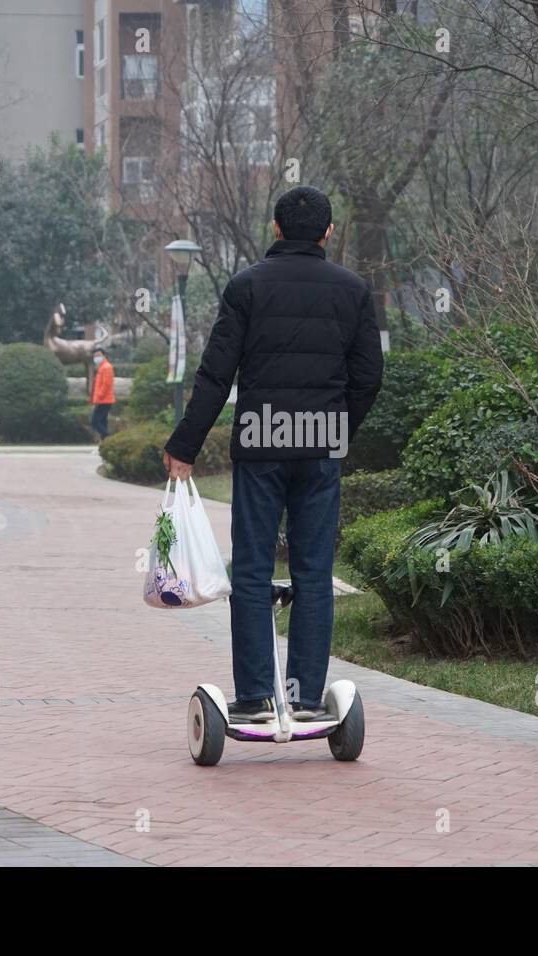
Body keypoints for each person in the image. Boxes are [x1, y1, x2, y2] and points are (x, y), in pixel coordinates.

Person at [162, 186, 383, 723]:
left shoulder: (246, 287)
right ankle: (306, 696)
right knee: (314, 571)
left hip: (261, 446)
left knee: (254, 571)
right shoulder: (353, 290)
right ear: (328, 232)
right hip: (319, 448)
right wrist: (336, 430)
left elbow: (216, 375)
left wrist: (184, 445)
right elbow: (368, 378)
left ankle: (258, 696)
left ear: (276, 229)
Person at [91, 347, 114, 439]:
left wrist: (100, 396)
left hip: (104, 400)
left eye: (98, 355)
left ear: (104, 355)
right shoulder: (102, 367)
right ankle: (104, 443)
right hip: (102, 399)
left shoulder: (106, 367)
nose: (96, 358)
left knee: (95, 421)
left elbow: (106, 384)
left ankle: (108, 437)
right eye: (95, 356)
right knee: (103, 422)